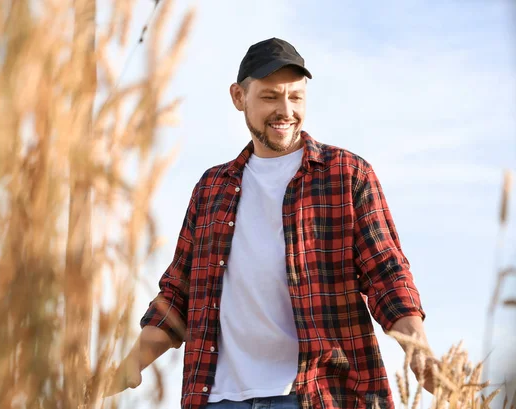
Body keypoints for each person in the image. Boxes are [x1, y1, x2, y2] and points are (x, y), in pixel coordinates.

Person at [102, 38, 434, 409]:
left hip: (317, 394)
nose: (285, 110)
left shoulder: (347, 175)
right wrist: (131, 364)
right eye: (270, 97)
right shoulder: (212, 188)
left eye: (296, 97)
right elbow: (178, 293)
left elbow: (387, 275)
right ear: (238, 97)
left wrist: (418, 349)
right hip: (218, 397)